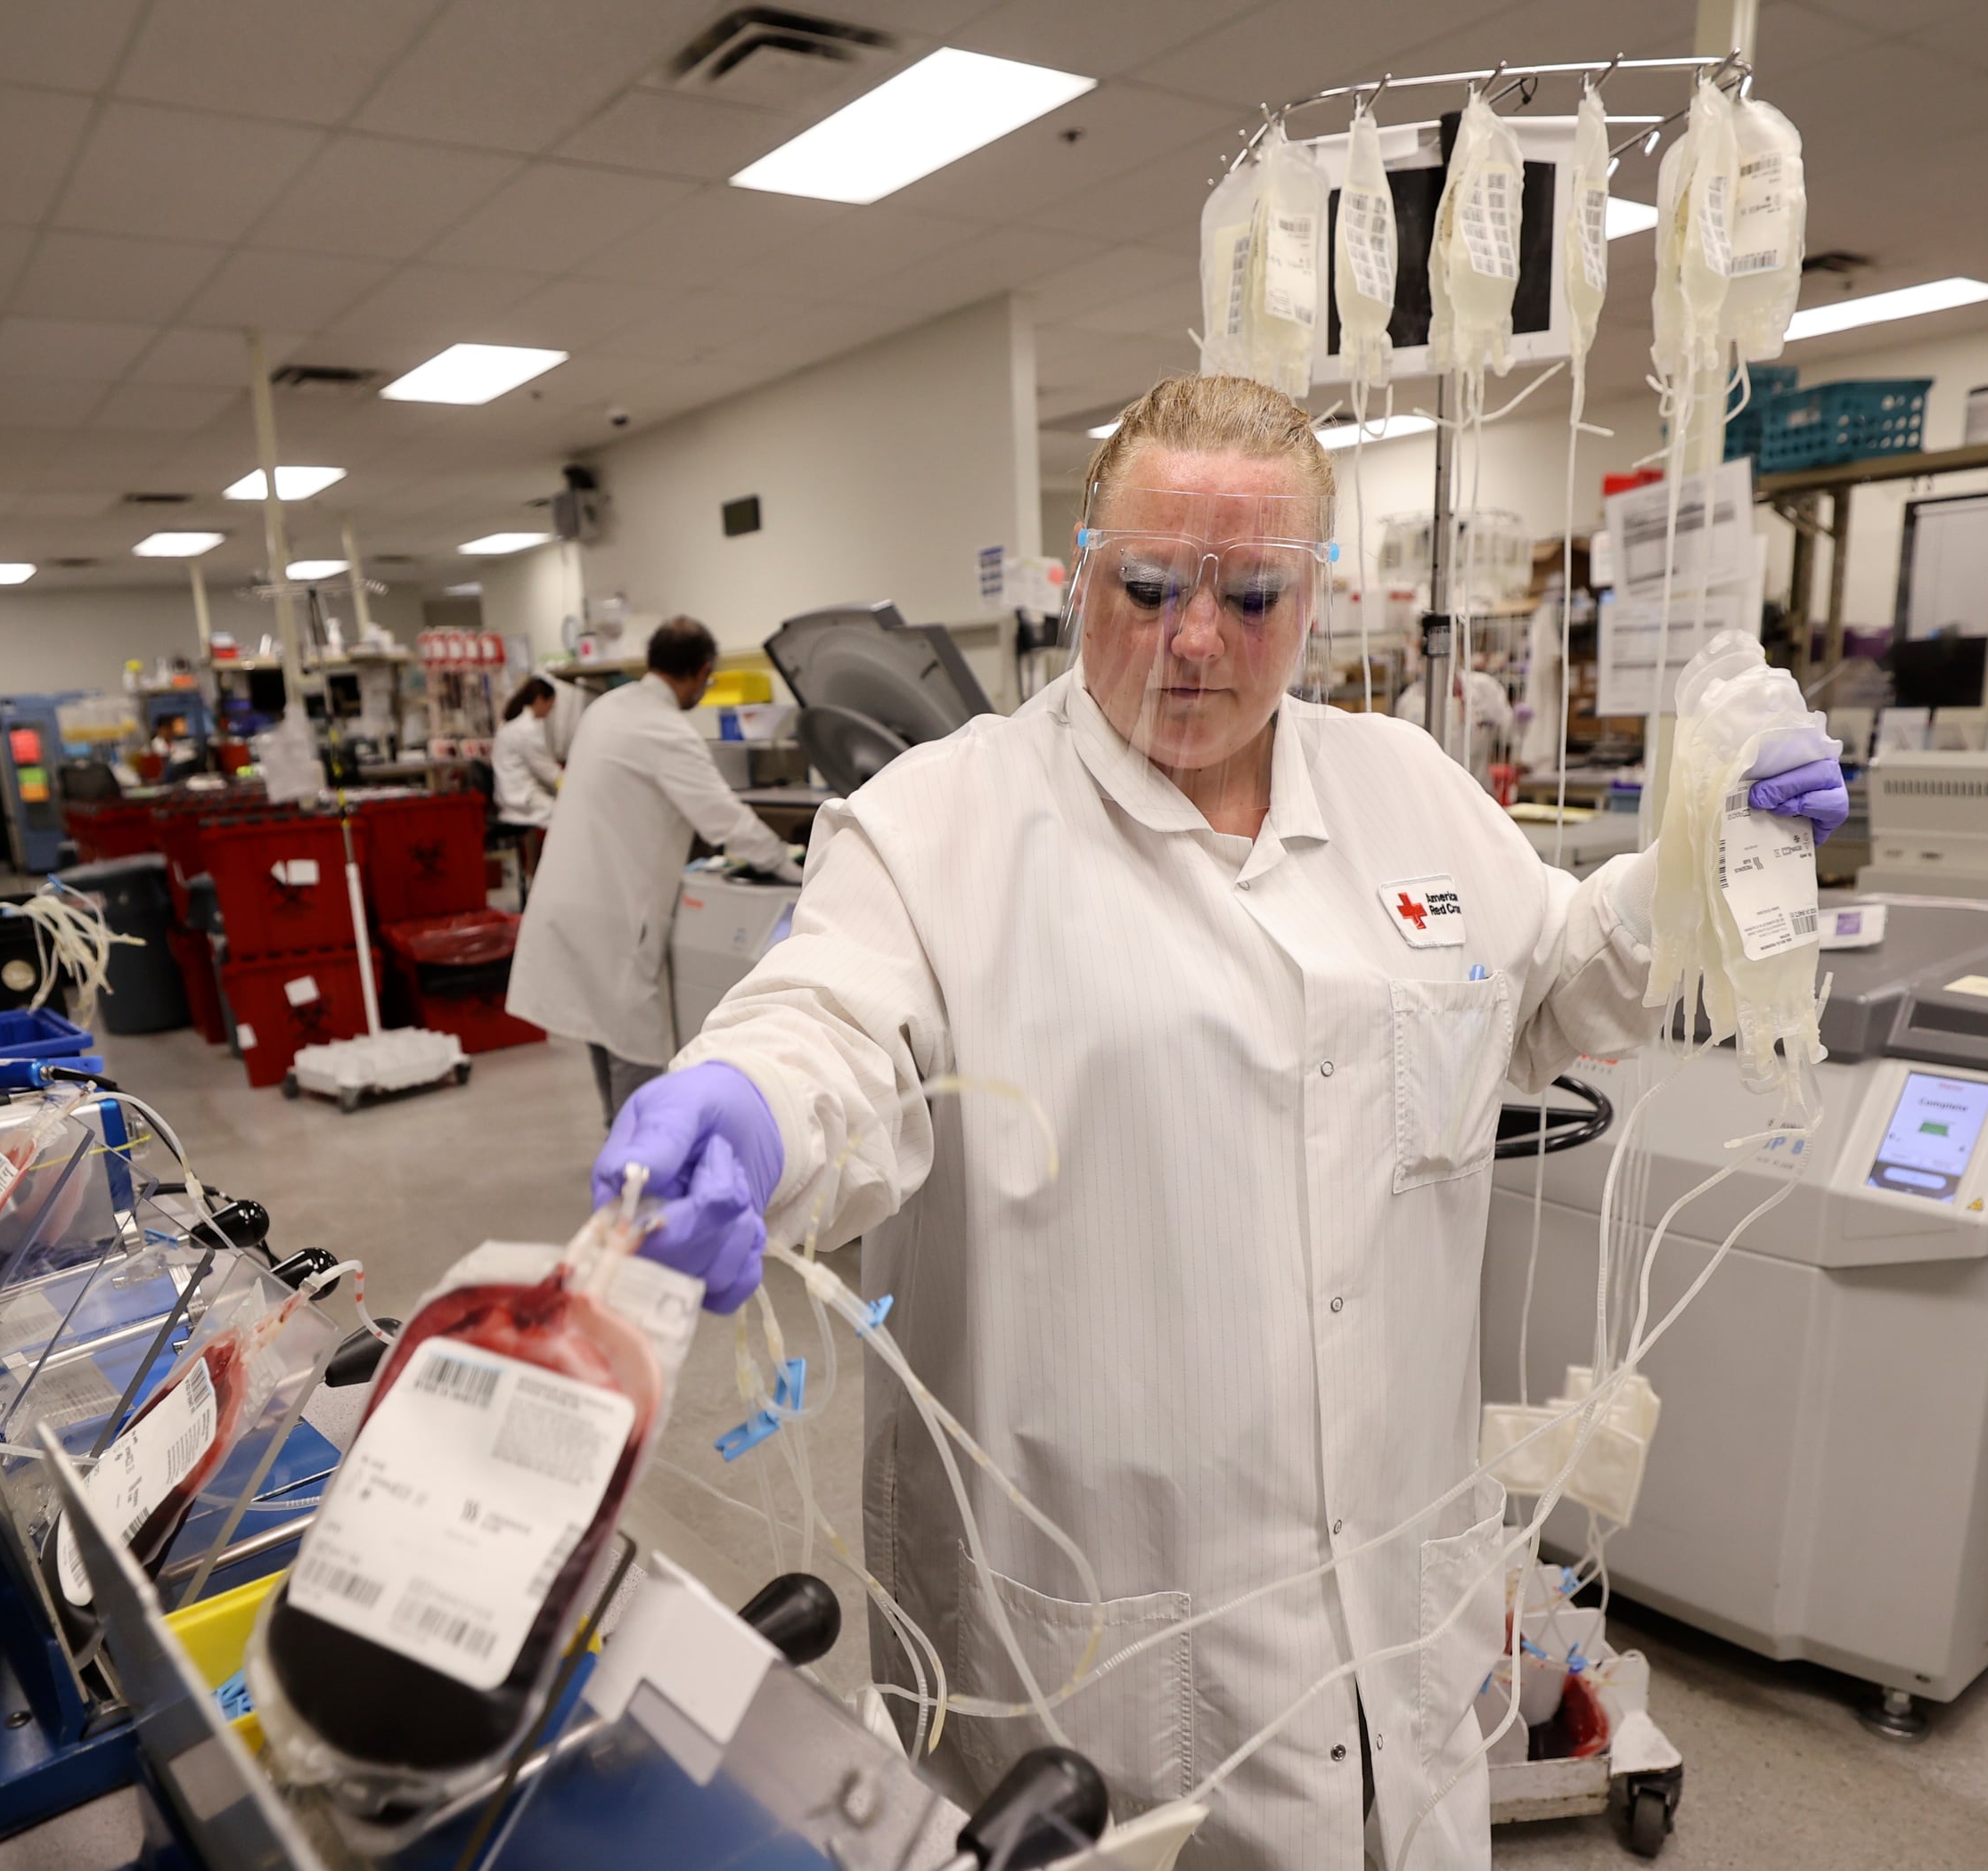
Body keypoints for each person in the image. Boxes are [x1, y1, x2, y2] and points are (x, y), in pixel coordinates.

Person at [585, 377, 1845, 1869]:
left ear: (1315, 595)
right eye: (1148, 587)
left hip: (1398, 1617)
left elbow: (1560, 981)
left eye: (1250, 597)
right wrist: (752, 1105)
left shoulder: (1406, 791)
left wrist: (1693, 864)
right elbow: (836, 1023)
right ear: (1079, 572)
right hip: (1100, 1649)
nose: (1193, 641)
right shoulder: (943, 824)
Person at [508, 617, 794, 1126]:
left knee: (603, 1031)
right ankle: (639, 1167)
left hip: (571, 897)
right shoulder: (665, 730)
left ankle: (618, 1147)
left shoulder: (607, 709)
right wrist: (792, 866)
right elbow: (725, 819)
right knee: (632, 1046)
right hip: (612, 915)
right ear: (702, 672)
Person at [490, 677, 563, 829]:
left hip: (511, 797)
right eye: (550, 704)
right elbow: (547, 771)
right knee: (565, 816)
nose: (551, 710)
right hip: (522, 799)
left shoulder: (511, 723)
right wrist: (568, 784)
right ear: (539, 700)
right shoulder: (526, 729)